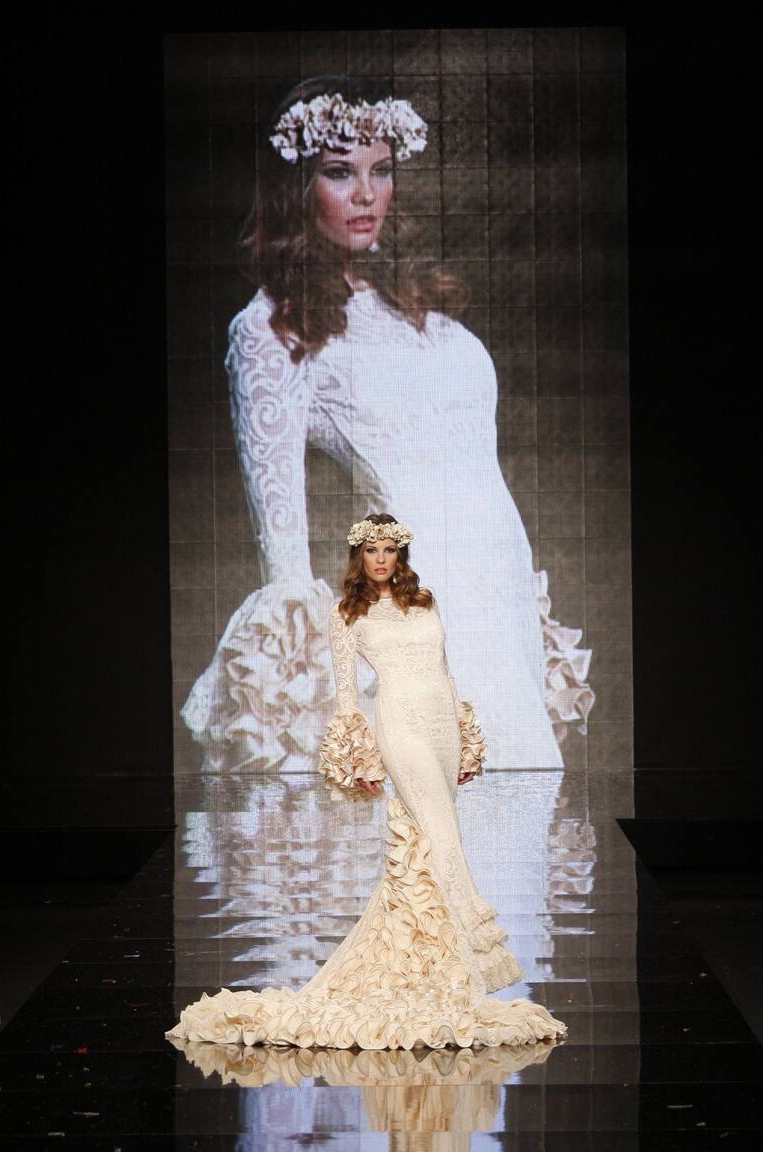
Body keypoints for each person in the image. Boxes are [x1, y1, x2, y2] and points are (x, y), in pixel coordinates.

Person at [180, 76, 595, 777]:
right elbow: (284, 559)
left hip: (501, 604)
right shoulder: (271, 329)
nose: (367, 194)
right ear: (297, 187)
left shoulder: (411, 301)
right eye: (340, 173)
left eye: (382, 170)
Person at [166, 515, 568, 1049]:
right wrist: (359, 754)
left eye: (389, 549)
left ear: (400, 555)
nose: (381, 559)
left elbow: (446, 673)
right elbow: (347, 696)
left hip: (443, 726)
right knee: (443, 835)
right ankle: (476, 957)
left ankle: (423, 965)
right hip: (400, 725)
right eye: (372, 550)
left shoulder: (425, 601)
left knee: (422, 847)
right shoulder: (347, 613)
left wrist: (466, 736)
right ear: (360, 556)